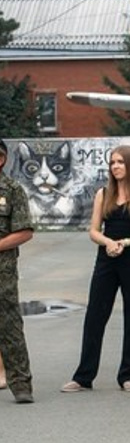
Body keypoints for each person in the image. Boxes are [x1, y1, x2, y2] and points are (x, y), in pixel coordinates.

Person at [62, 145, 130, 393]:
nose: (116, 166)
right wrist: (107, 242)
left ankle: (128, 375)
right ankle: (83, 376)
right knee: (95, 315)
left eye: (120, 162)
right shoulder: (103, 193)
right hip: (106, 258)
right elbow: (94, 230)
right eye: (112, 162)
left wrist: (126, 243)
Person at [0, 139, 33, 403]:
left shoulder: (12, 190)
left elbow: (23, 232)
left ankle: (21, 384)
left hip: (3, 272)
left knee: (9, 327)